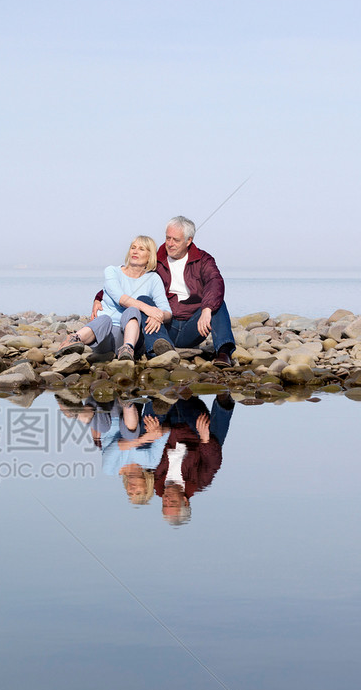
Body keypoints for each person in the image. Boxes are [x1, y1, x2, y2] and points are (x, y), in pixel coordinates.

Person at [55, 236, 171, 361]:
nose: (135, 251)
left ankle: (127, 349)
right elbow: (120, 298)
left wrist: (158, 316)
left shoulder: (153, 279)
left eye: (141, 249)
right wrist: (149, 309)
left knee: (133, 311)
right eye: (133, 248)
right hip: (104, 335)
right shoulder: (112, 272)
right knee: (104, 319)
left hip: (132, 336)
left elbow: (167, 312)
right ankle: (74, 339)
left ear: (150, 255)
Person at [147, 216, 236, 367]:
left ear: (188, 241)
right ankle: (157, 352)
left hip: (193, 326)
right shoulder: (155, 258)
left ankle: (223, 352)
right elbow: (130, 275)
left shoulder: (203, 259)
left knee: (217, 302)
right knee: (143, 300)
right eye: (167, 238)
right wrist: (99, 298)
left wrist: (207, 310)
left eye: (175, 240)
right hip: (165, 326)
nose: (170, 243)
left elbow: (215, 281)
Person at [150, 395, 235, 525]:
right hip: (194, 428)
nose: (167, 499)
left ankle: (169, 395)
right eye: (172, 503)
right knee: (215, 439)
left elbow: (152, 451)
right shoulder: (200, 482)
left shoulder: (156, 480)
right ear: (185, 501)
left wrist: (158, 433)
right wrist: (205, 439)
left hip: (169, 424)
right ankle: (223, 400)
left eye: (164, 503)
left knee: (148, 430)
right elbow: (213, 462)